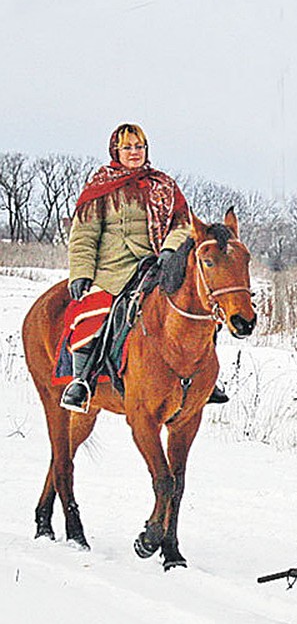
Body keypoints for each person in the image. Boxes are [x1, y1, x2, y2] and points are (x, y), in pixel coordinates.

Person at [60, 123, 195, 412]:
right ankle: (81, 381)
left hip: (155, 264)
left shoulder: (164, 184)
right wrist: (81, 273)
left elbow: (183, 223)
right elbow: (84, 234)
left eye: (139, 146)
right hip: (113, 269)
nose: (134, 152)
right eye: (128, 147)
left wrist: (171, 249)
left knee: (198, 304)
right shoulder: (100, 186)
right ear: (116, 150)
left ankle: (204, 379)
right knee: (92, 313)